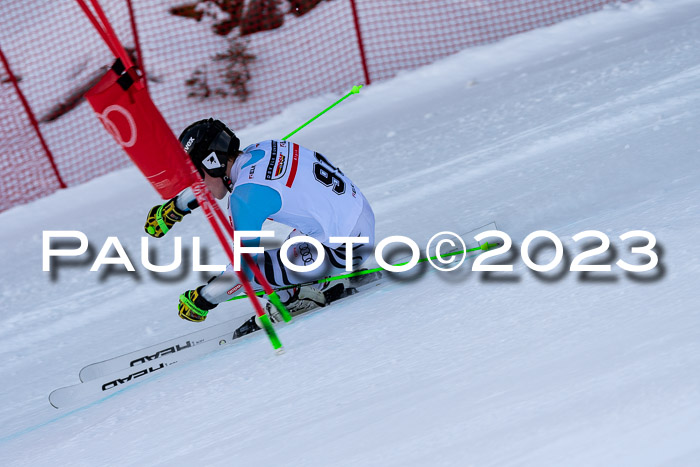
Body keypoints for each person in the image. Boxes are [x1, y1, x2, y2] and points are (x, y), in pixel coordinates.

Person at [144, 118, 375, 336]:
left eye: (195, 175)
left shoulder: (244, 199)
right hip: (356, 221)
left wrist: (204, 299)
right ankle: (311, 282)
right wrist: (176, 207)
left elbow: (245, 268)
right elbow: (220, 182)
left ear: (212, 162)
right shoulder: (262, 149)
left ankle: (296, 299)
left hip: (343, 251)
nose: (194, 183)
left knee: (252, 274)